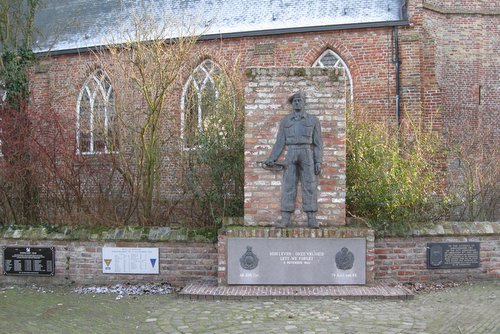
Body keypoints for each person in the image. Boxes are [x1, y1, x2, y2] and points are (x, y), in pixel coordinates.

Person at [265, 91, 323, 228]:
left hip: (306, 152)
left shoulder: (313, 120)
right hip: (291, 152)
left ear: (304, 102)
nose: (297, 102)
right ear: (292, 104)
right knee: (288, 185)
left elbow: (318, 143)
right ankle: (285, 218)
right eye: (294, 101)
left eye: (299, 100)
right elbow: (280, 142)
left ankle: (311, 217)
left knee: (309, 184)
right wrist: (272, 158)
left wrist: (318, 161)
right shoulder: (286, 121)